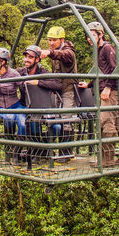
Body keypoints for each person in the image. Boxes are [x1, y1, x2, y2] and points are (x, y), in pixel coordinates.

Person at [78, 21, 119, 166]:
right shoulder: (98, 50)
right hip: (107, 89)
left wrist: (108, 87)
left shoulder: (107, 48)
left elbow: (115, 69)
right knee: (118, 122)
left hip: (111, 90)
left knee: (106, 122)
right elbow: (101, 72)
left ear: (100, 34)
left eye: (92, 35)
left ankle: (107, 160)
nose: (89, 38)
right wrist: (89, 84)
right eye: (88, 36)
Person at [40, 26, 77, 159]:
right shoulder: (55, 51)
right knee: (53, 119)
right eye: (49, 40)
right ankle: (50, 151)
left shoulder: (68, 52)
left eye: (54, 40)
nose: (51, 43)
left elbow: (65, 56)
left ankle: (65, 154)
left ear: (62, 39)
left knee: (67, 119)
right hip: (57, 89)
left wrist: (49, 52)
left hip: (68, 90)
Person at [17, 45, 62, 152]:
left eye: (30, 57)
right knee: (29, 123)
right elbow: (6, 75)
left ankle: (43, 148)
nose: (26, 60)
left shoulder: (43, 72)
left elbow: (57, 84)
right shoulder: (20, 72)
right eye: (26, 57)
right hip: (25, 106)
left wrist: (38, 82)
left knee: (57, 128)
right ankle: (28, 152)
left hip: (42, 107)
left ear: (37, 59)